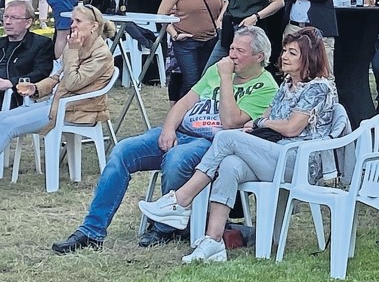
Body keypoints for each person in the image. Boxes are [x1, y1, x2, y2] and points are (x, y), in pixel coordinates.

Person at [52, 27, 278, 253]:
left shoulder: (266, 87)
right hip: (181, 131)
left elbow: (230, 122)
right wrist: (168, 129)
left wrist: (226, 79)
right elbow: (183, 103)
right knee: (122, 151)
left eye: (240, 50)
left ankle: (165, 227)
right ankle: (92, 231)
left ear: (259, 57)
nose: (232, 55)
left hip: (211, 143)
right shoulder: (215, 71)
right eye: (231, 49)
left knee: (176, 159)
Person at [138, 27, 339, 263]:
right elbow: (266, 117)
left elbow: (293, 127)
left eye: (292, 53)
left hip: (300, 162)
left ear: (309, 58)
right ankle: (213, 242)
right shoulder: (286, 84)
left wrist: (261, 122)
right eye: (285, 50)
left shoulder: (318, 87)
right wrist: (254, 126)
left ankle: (181, 201)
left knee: (226, 137)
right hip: (277, 155)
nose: (284, 56)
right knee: (230, 164)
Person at [0, 5, 115, 175]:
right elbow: (56, 77)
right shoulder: (75, 46)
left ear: (94, 26)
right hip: (57, 103)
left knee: (9, 124)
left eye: (78, 21)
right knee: (2, 117)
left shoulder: (101, 54)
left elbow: (73, 83)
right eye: (72, 21)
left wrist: (73, 52)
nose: (73, 25)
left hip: (78, 109)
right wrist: (36, 88)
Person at [157, 0, 225, 102]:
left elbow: (222, 5)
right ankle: (181, 119)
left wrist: (219, 21)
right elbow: (161, 14)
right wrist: (174, 34)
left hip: (211, 40)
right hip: (187, 42)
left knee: (206, 83)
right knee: (192, 83)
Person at [0, 0, 54, 108]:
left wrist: (11, 83)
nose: (7, 22)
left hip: (16, 98)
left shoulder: (41, 44)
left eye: (14, 18)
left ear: (28, 23)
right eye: (6, 17)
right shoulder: (1, 43)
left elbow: (41, 73)